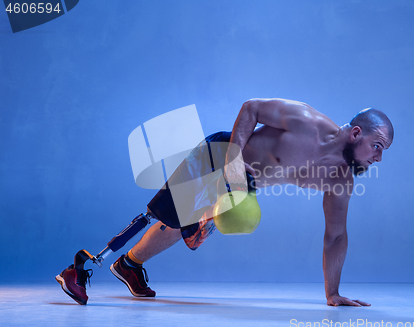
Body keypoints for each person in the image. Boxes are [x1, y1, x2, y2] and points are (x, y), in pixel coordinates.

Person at [56, 98, 394, 307]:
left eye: (384, 152)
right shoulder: (306, 121)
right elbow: (252, 108)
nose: (378, 158)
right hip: (221, 154)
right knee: (161, 216)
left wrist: (332, 294)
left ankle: (130, 265)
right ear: (355, 134)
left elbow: (336, 235)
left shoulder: (340, 179)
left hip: (243, 185)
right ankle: (81, 268)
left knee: (207, 224)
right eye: (377, 146)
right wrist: (233, 156)